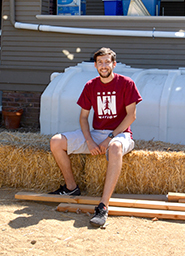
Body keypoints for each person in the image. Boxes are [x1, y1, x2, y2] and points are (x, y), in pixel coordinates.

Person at [49, 47, 142, 227]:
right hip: (96, 133)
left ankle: (103, 206)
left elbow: (131, 116)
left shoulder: (126, 83)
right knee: (56, 142)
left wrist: (109, 137)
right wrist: (90, 141)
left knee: (114, 147)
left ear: (114, 64)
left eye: (107, 62)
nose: (104, 65)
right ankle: (71, 188)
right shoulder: (90, 86)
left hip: (120, 134)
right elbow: (83, 118)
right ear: (95, 65)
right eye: (100, 62)